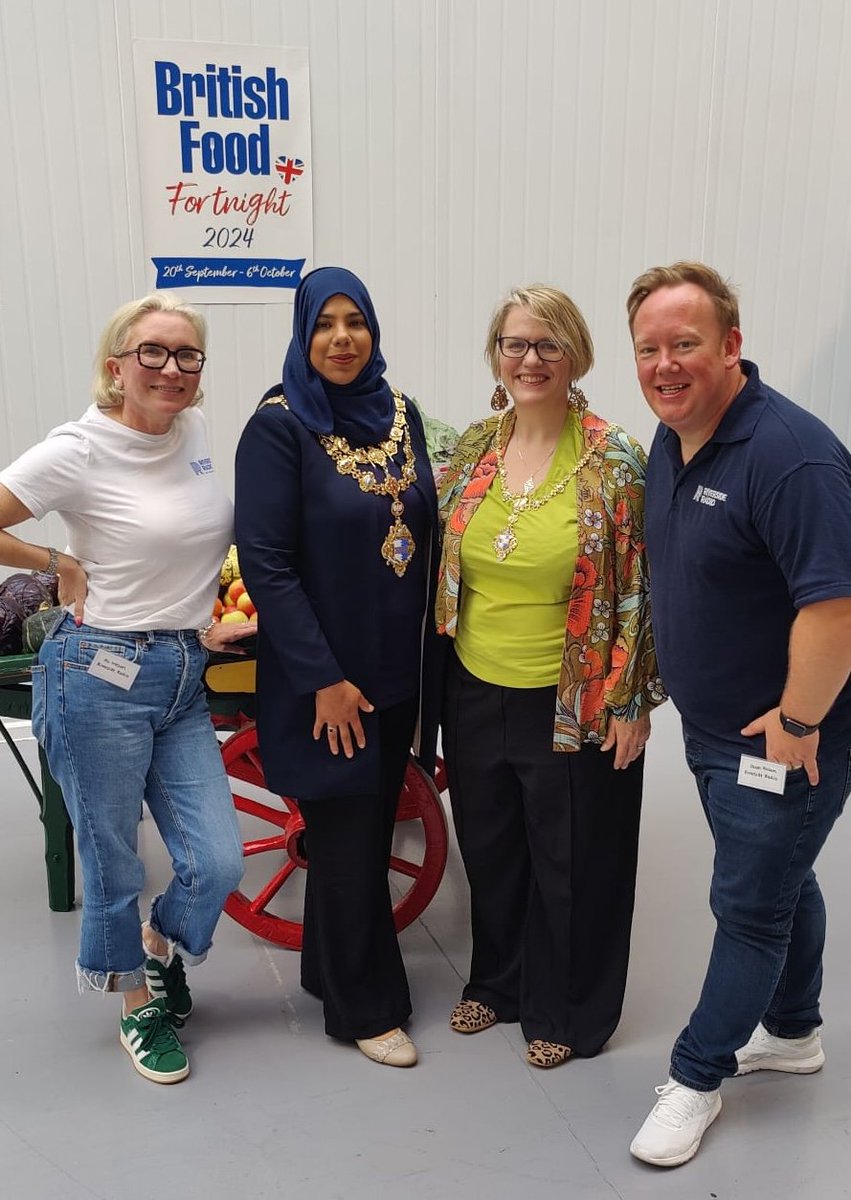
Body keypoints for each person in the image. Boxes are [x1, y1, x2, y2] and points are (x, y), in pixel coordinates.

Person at [627, 261, 851, 1167]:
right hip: (716, 729)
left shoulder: (790, 456)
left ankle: (694, 1076)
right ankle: (793, 1032)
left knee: (747, 907)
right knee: (780, 880)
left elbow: (833, 607)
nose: (665, 364)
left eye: (685, 343)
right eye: (649, 347)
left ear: (731, 345)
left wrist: (798, 726)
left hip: (784, 738)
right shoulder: (673, 435)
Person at [0, 294, 253, 1084]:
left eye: (187, 356)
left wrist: (219, 612)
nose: (171, 369)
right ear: (117, 365)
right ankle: (136, 1001)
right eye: (153, 353)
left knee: (216, 862)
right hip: (95, 673)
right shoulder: (77, 448)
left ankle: (156, 942)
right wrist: (54, 563)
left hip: (182, 669)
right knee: (113, 861)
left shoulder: (198, 433)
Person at [436, 284, 664, 1069]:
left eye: (546, 345)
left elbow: (643, 587)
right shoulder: (472, 448)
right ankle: (497, 983)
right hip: (473, 685)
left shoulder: (613, 459)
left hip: (575, 697)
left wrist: (632, 701)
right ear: (495, 355)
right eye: (513, 343)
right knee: (491, 845)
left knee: (573, 857)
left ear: (575, 357)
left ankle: (569, 1007)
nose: (528, 359)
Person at [233, 266, 441, 1068]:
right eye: (325, 323)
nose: (342, 338)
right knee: (349, 836)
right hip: (325, 679)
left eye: (356, 321)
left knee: (362, 821)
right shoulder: (278, 427)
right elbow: (267, 563)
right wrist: (323, 676)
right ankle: (365, 1008)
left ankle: (326, 968)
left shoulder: (400, 413)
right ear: (302, 332)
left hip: (396, 669)